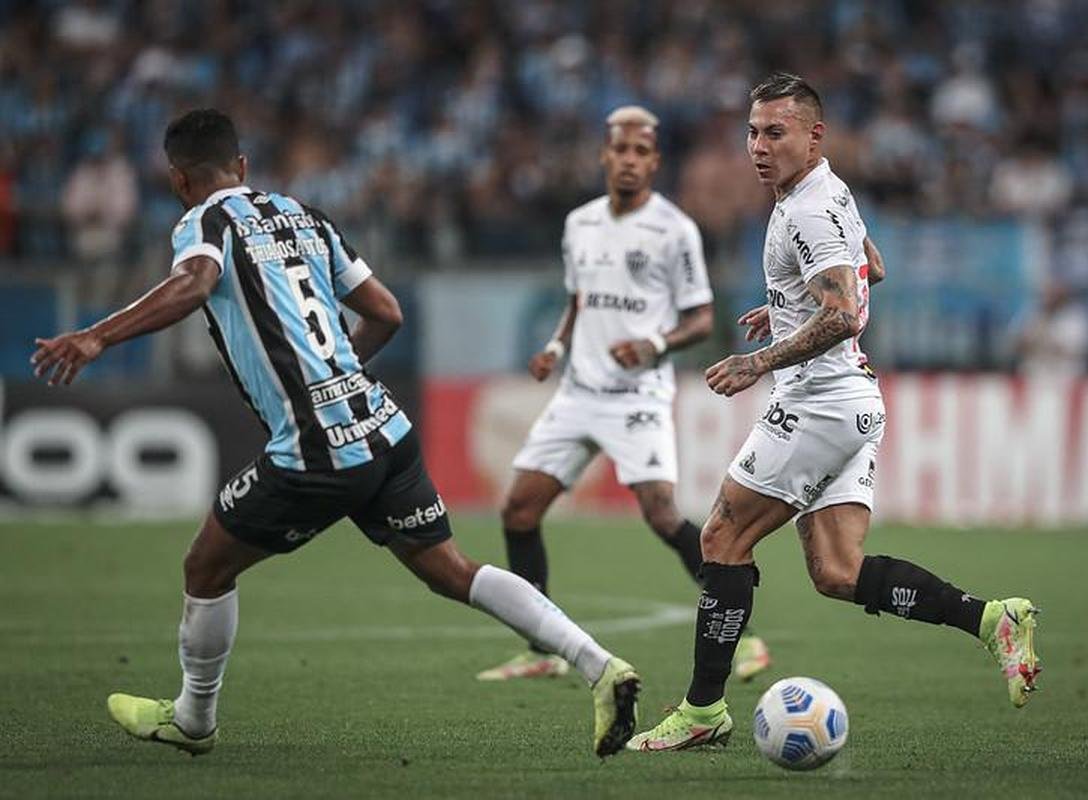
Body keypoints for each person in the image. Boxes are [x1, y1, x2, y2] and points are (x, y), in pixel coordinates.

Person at [31, 109, 640, 758]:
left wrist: (98, 333)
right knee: (450, 569)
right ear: (242, 166)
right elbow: (386, 312)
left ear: (179, 181)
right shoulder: (304, 216)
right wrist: (337, 375)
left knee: (205, 567)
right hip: (383, 426)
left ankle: (194, 719)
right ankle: (599, 665)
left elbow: (196, 281)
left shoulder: (204, 222)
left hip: (317, 450)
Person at [628, 75, 1041, 752]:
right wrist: (787, 305)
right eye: (752, 133)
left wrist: (759, 360)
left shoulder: (806, 212)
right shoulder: (829, 192)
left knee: (721, 541)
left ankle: (701, 713)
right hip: (852, 402)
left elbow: (844, 311)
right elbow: (867, 268)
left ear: (812, 135)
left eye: (775, 133)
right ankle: (992, 619)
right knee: (838, 574)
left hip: (816, 405)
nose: (758, 147)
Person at [477, 106, 771, 683]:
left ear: (654, 161)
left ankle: (745, 636)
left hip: (637, 396)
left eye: (642, 153)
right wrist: (556, 349)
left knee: (662, 515)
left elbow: (701, 317)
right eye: (621, 151)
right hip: (577, 392)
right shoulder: (580, 224)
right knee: (518, 510)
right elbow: (578, 301)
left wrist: (655, 343)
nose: (630, 161)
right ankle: (541, 646)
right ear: (605, 157)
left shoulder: (674, 230)